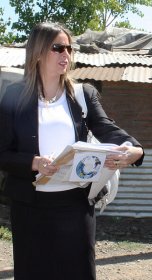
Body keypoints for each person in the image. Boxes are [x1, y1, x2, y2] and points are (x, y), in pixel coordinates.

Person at [0, 22, 144, 280]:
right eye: (58, 48)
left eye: (69, 48)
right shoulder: (15, 96)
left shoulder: (83, 94)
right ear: (38, 52)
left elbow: (107, 129)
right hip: (31, 208)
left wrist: (135, 149)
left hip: (76, 206)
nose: (66, 54)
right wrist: (33, 163)